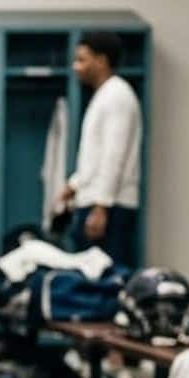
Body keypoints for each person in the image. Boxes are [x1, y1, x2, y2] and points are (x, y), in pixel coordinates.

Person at [58, 31, 142, 265]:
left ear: (102, 61)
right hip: (94, 201)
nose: (76, 67)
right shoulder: (104, 96)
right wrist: (74, 184)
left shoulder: (117, 96)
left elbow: (114, 155)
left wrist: (101, 207)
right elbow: (95, 156)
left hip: (109, 207)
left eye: (82, 60)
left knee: (106, 280)